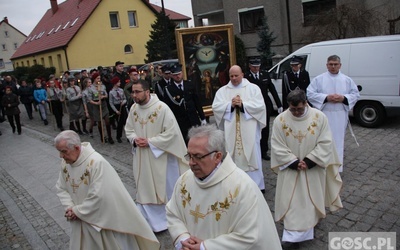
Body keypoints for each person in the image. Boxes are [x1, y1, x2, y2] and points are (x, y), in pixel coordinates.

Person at [166, 124, 282, 250]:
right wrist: (183, 239)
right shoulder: (184, 181)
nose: (191, 163)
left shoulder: (242, 187)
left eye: (198, 157)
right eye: (189, 156)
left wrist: (205, 247)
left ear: (217, 156)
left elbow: (250, 235)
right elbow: (173, 213)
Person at [54, 130, 160, 250]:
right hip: (80, 220)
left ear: (77, 148)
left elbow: (99, 196)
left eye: (64, 152)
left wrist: (77, 211)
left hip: (103, 222)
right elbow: (61, 187)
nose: (61, 156)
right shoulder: (65, 164)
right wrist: (69, 207)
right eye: (59, 152)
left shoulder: (96, 163)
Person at [271, 89, 343, 248]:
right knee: (291, 200)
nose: (296, 112)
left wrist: (310, 161)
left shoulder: (319, 117)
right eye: (292, 109)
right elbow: (277, 144)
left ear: (306, 103)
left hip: (313, 169)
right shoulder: (280, 120)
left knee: (311, 199)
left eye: (299, 108)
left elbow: (326, 142)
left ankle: (310, 224)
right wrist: (293, 162)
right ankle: (291, 234)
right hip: (290, 169)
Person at [125, 79, 189, 232]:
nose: (134, 95)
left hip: (160, 157)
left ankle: (165, 220)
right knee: (144, 185)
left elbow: (171, 133)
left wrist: (151, 142)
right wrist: (134, 139)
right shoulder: (134, 108)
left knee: (164, 187)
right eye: (132, 92)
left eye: (137, 92)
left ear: (147, 92)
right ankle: (149, 221)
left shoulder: (161, 108)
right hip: (142, 156)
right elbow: (129, 129)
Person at [212, 65, 266, 191]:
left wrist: (243, 105)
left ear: (242, 74)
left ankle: (257, 185)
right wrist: (230, 105)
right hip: (231, 131)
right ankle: (236, 186)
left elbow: (260, 107)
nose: (234, 78)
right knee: (232, 154)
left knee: (253, 154)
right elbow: (216, 107)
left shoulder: (253, 89)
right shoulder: (222, 91)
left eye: (236, 75)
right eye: (231, 76)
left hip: (250, 130)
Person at [307, 55, 360, 172]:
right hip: (325, 114)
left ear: (340, 65)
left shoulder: (347, 80)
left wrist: (343, 98)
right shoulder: (319, 79)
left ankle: (337, 168)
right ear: (327, 65)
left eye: (335, 64)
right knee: (324, 140)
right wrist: (326, 97)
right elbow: (310, 93)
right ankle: (323, 165)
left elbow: (355, 94)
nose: (333, 66)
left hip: (340, 114)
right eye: (330, 64)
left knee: (338, 141)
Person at [245, 57, 283, 160]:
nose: (256, 68)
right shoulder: (246, 77)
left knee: (265, 128)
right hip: (251, 106)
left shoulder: (264, 75)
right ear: (250, 66)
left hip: (265, 105)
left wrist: (279, 105)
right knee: (253, 128)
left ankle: (264, 151)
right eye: (254, 67)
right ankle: (253, 149)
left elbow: (272, 89)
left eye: (258, 66)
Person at [164, 64, 207, 141]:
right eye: (175, 75)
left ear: (182, 73)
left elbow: (197, 102)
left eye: (179, 74)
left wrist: (203, 118)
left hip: (194, 119)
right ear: (171, 76)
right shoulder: (169, 89)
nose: (178, 76)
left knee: (198, 140)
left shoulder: (189, 84)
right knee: (185, 142)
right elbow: (168, 108)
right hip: (180, 121)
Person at [88, 73, 114, 144]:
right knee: (100, 122)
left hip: (103, 104)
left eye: (100, 78)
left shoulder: (102, 86)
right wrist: (96, 103)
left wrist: (103, 96)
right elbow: (89, 99)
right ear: (94, 79)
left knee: (107, 121)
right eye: (97, 78)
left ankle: (110, 137)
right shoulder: (91, 88)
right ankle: (102, 136)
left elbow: (106, 94)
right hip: (96, 105)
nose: (99, 80)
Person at [109, 77, 127, 143]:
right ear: (115, 83)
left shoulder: (121, 90)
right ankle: (118, 136)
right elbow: (111, 102)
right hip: (116, 107)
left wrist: (124, 102)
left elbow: (125, 98)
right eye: (118, 82)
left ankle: (128, 136)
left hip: (122, 106)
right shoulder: (111, 92)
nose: (120, 83)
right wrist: (116, 111)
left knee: (125, 122)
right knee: (119, 123)